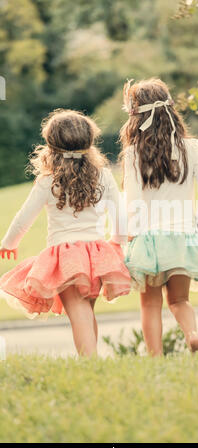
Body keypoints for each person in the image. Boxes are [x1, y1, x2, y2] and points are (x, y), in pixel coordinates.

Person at [0, 109, 131, 356]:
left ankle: (89, 362)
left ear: (51, 145)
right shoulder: (102, 174)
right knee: (86, 311)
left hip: (66, 256)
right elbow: (119, 213)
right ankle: (91, 360)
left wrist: (9, 243)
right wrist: (117, 241)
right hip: (97, 254)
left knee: (79, 313)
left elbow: (23, 218)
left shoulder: (48, 180)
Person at [120, 78, 198, 357]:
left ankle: (155, 358)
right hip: (183, 237)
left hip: (149, 240)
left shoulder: (134, 153)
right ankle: (192, 335)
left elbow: (132, 200)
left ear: (135, 115)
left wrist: (131, 233)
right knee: (180, 300)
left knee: (150, 304)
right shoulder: (191, 148)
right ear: (171, 109)